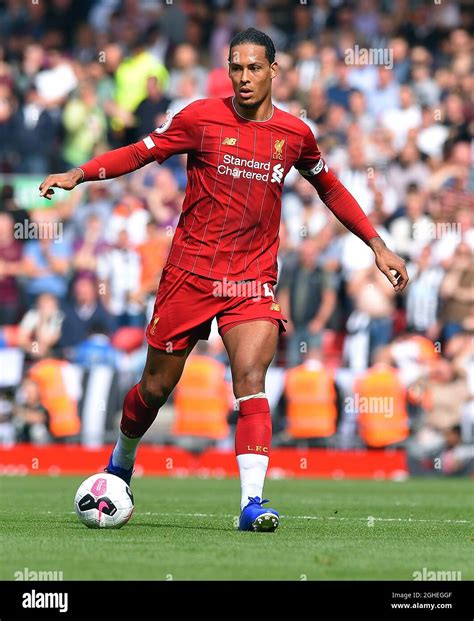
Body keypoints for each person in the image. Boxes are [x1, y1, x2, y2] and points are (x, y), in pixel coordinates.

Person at [39, 28, 409, 532]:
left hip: (252, 279)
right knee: (154, 387)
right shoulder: (200, 118)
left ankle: (252, 503)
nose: (244, 78)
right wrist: (79, 173)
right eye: (236, 68)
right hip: (189, 275)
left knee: (251, 382)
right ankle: (121, 461)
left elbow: (331, 189)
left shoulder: (294, 134)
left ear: (274, 71)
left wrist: (378, 245)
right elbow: (140, 153)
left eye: (254, 68)